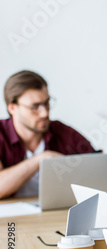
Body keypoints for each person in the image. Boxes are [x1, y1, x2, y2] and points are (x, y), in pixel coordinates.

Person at [0, 70, 97, 199]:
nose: (44, 113)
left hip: (55, 216)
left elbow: (99, 170)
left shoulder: (63, 133)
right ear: (12, 108)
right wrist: (40, 160)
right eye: (35, 107)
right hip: (13, 218)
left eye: (46, 103)